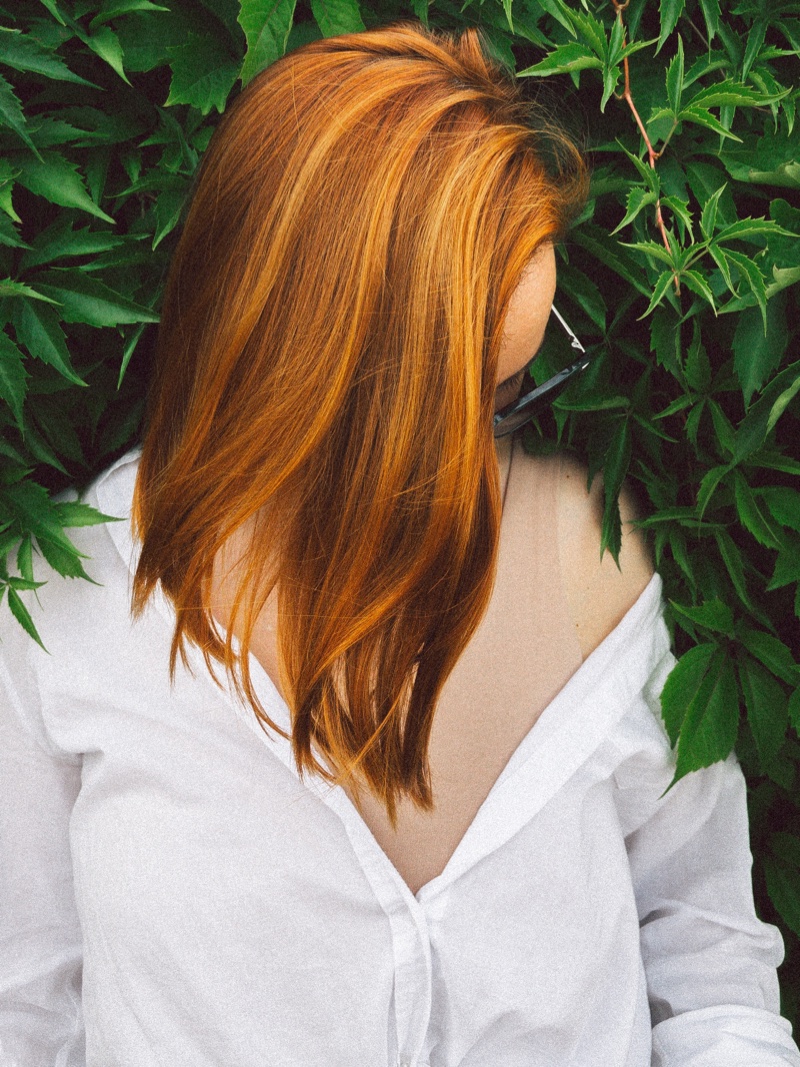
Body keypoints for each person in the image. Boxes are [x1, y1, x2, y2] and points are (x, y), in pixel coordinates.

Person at [1, 19, 798, 1067]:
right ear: (296, 364)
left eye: (511, 388)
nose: (478, 457)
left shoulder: (596, 575)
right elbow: (25, 1010)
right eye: (444, 401)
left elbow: (707, 971)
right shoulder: (70, 609)